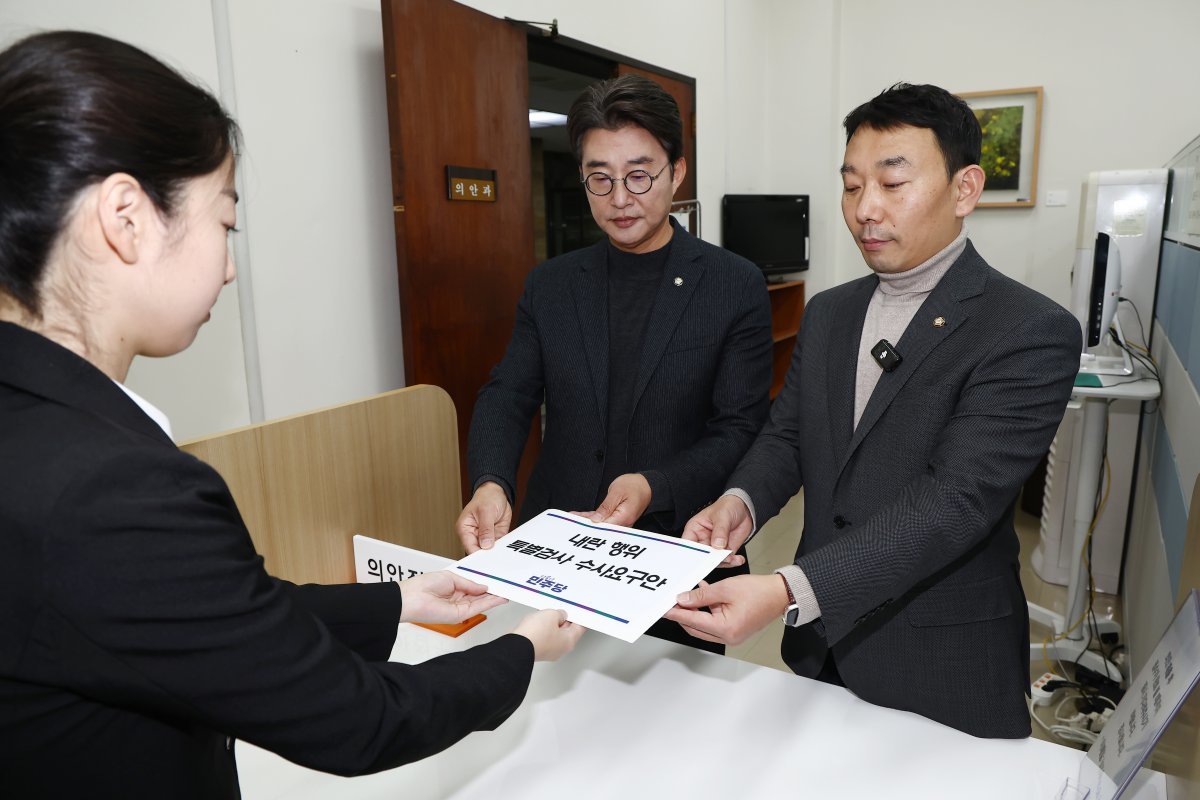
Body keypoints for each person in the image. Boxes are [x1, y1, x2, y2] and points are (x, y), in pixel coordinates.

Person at [0, 30, 582, 799]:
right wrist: (523, 652)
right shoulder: (114, 489)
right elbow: (359, 720)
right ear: (127, 217)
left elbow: (207, 616)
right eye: (225, 224)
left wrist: (402, 600)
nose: (231, 265)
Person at [666, 83, 1081, 737]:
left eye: (893, 183)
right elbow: (787, 433)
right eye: (852, 185)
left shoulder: (1030, 330)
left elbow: (953, 505)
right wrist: (740, 502)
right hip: (824, 649)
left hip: (940, 662)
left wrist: (784, 591)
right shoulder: (831, 311)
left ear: (965, 190)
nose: (865, 209)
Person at [457, 74, 773, 653]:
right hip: (556, 554)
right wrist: (490, 480)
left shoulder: (733, 284)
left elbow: (740, 429)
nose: (620, 198)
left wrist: (655, 485)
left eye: (638, 174)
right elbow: (507, 395)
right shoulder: (551, 285)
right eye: (599, 179)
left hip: (670, 556)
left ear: (677, 172)